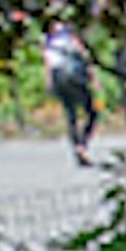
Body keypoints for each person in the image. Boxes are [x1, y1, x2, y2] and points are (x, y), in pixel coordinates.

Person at [41, 18, 97, 164]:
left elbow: (47, 63)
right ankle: (82, 144)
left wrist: (49, 82)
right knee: (91, 111)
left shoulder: (47, 40)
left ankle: (77, 146)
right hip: (73, 76)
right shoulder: (70, 35)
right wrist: (93, 76)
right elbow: (85, 55)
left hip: (58, 76)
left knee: (70, 114)